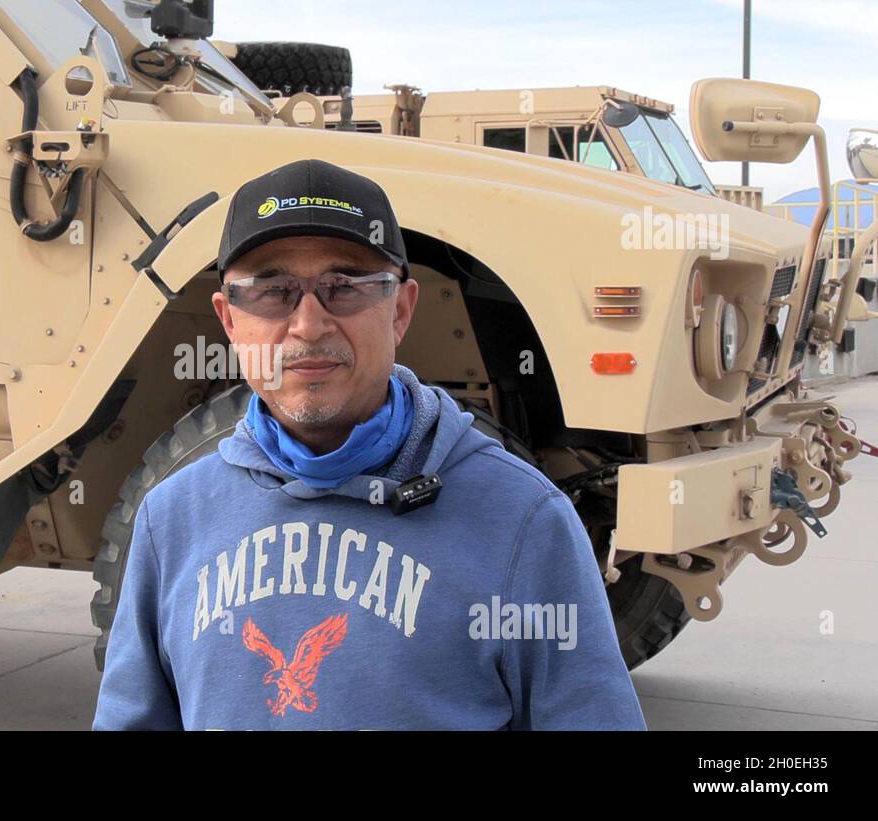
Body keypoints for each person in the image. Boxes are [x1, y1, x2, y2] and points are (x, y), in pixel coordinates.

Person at [93, 158, 645, 730]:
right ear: (229, 320)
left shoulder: (522, 522)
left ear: (401, 311)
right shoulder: (170, 521)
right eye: (273, 290)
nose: (308, 324)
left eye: (346, 287)